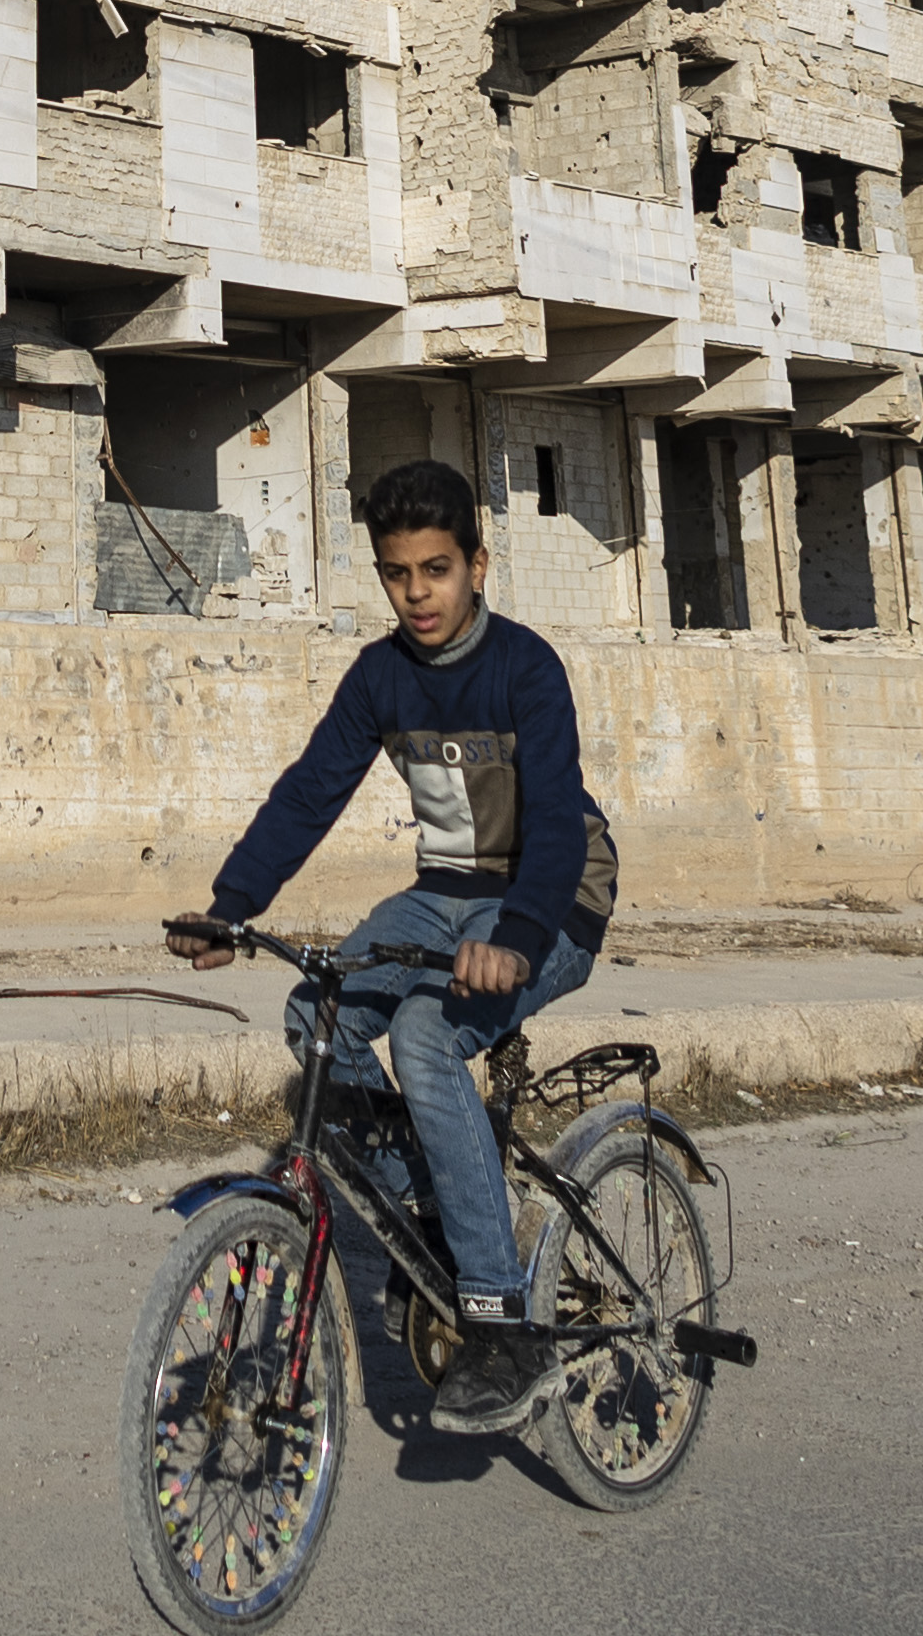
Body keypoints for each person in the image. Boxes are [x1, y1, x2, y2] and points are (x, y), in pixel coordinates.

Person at [172, 456, 617, 1436]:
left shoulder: (526, 669)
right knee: (312, 1008)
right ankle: (437, 1189)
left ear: (477, 566)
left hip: (549, 898)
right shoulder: (380, 675)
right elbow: (308, 791)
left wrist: (517, 936)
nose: (416, 593)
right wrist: (229, 907)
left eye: (436, 570)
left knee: (421, 1038)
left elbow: (549, 824)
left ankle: (502, 1324)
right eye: (396, 573)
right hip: (442, 898)